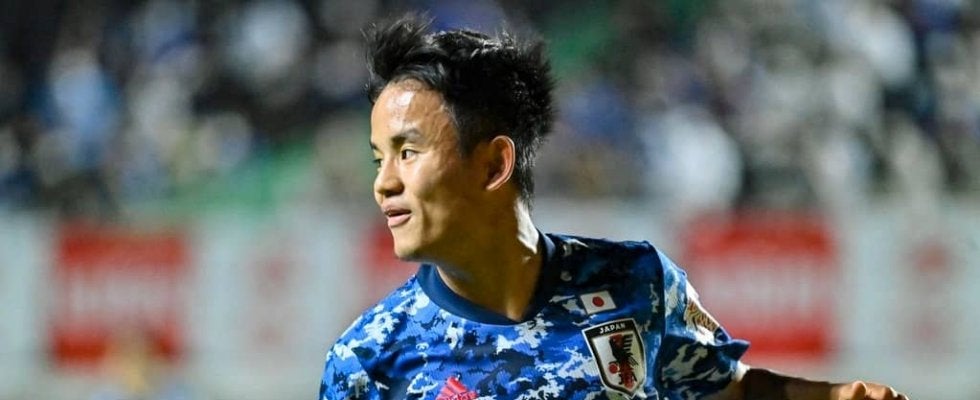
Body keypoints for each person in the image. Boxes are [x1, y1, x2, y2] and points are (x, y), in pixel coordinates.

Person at [319, 14, 909, 400]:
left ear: (494, 164)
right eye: (378, 158)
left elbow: (728, 389)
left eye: (407, 153)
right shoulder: (368, 362)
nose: (383, 184)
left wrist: (833, 395)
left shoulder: (635, 282)